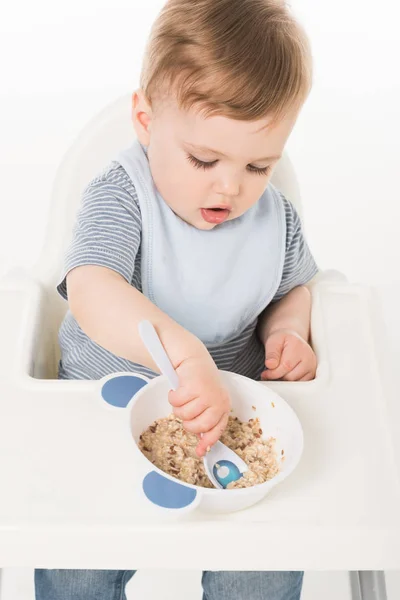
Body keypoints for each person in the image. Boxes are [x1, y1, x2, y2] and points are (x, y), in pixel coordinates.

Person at [35, 0, 319, 598]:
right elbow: (91, 288)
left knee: (265, 562)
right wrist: (187, 356)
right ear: (144, 119)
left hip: (231, 422)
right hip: (103, 412)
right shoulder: (121, 195)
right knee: (75, 567)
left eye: (260, 166)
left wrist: (287, 335)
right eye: (203, 159)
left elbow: (292, 288)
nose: (230, 186)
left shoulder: (275, 220)